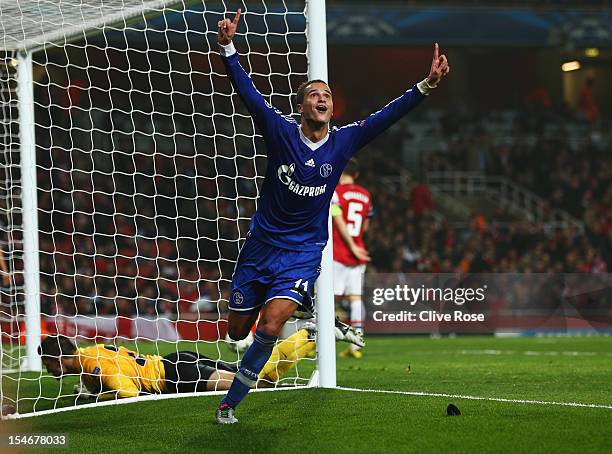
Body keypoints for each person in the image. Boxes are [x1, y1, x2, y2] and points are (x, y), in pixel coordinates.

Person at [216, 9, 449, 424]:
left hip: (303, 251)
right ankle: (295, 308)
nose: (322, 98)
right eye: (314, 94)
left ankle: (228, 404)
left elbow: (385, 116)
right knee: (237, 331)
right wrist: (230, 48)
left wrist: (426, 86)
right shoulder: (281, 132)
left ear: (331, 106)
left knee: (270, 325)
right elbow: (249, 95)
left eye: (326, 94)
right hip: (261, 245)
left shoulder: (343, 143)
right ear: (301, 105)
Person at [38, 328, 316, 400]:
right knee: (260, 381)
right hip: (177, 364)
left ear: (57, 359)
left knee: (248, 380)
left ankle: (309, 334)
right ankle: (309, 340)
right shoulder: (89, 353)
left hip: (175, 375)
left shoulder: (96, 364)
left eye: (47, 364)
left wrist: (98, 396)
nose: (47, 370)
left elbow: (129, 393)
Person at [331, 158, 372, 359]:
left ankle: (317, 340)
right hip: (359, 253)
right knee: (355, 298)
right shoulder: (365, 195)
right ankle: (357, 344)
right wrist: (357, 243)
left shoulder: (336, 193)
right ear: (356, 175)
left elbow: (337, 219)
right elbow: (365, 225)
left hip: (339, 251)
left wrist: (351, 246)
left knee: (329, 298)